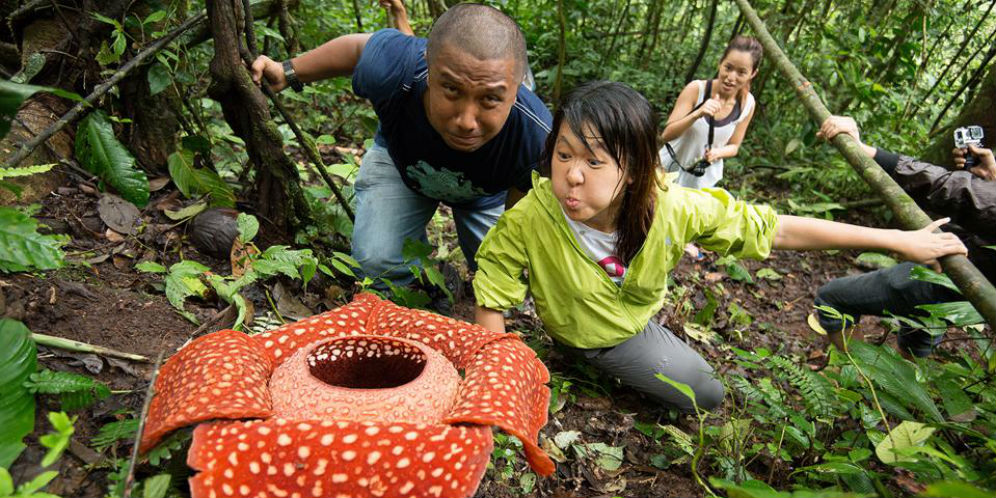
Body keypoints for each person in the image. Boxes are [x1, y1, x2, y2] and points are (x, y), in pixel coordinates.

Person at [471, 82, 967, 411]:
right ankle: (597, 355)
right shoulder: (532, 218)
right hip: (593, 334)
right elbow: (492, 290)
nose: (570, 176)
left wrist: (898, 239)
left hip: (636, 314)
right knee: (703, 390)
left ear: (638, 166)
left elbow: (777, 230)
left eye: (594, 162)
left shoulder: (673, 207)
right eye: (562, 154)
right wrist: (502, 384)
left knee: (706, 393)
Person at [250, 4, 552, 290]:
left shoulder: (535, 135)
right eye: (451, 89)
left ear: (516, 93)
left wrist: (500, 265)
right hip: (401, 164)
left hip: (484, 196)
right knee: (377, 261)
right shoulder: (398, 70)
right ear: (429, 70)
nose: (466, 121)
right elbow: (358, 51)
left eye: (490, 99)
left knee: (504, 273)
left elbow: (515, 222)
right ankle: (406, 295)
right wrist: (288, 71)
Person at [811, 115, 995, 358]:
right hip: (961, 264)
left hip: (964, 273)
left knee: (832, 298)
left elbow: (947, 188)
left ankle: (866, 378)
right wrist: (992, 178)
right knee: (921, 321)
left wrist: (866, 150)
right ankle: (905, 380)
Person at [659, 36, 762, 189]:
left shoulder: (747, 104)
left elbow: (734, 146)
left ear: (752, 74)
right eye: (728, 68)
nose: (731, 77)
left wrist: (718, 153)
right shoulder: (696, 90)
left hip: (702, 183)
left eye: (741, 72)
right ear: (720, 63)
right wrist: (697, 114)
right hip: (666, 174)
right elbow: (666, 135)